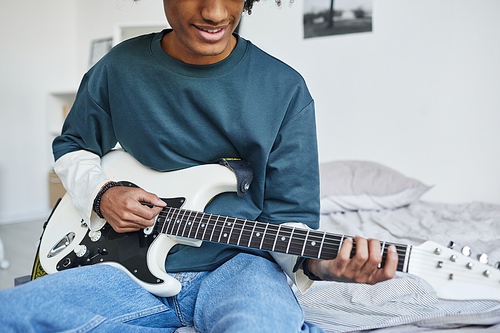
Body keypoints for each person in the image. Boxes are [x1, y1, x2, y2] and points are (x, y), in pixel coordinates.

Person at [0, 0, 398, 331]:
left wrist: (323, 264)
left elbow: (290, 218)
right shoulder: (119, 68)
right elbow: (73, 144)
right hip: (119, 267)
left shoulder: (284, 89)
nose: (214, 12)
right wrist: (102, 195)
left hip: (241, 266)